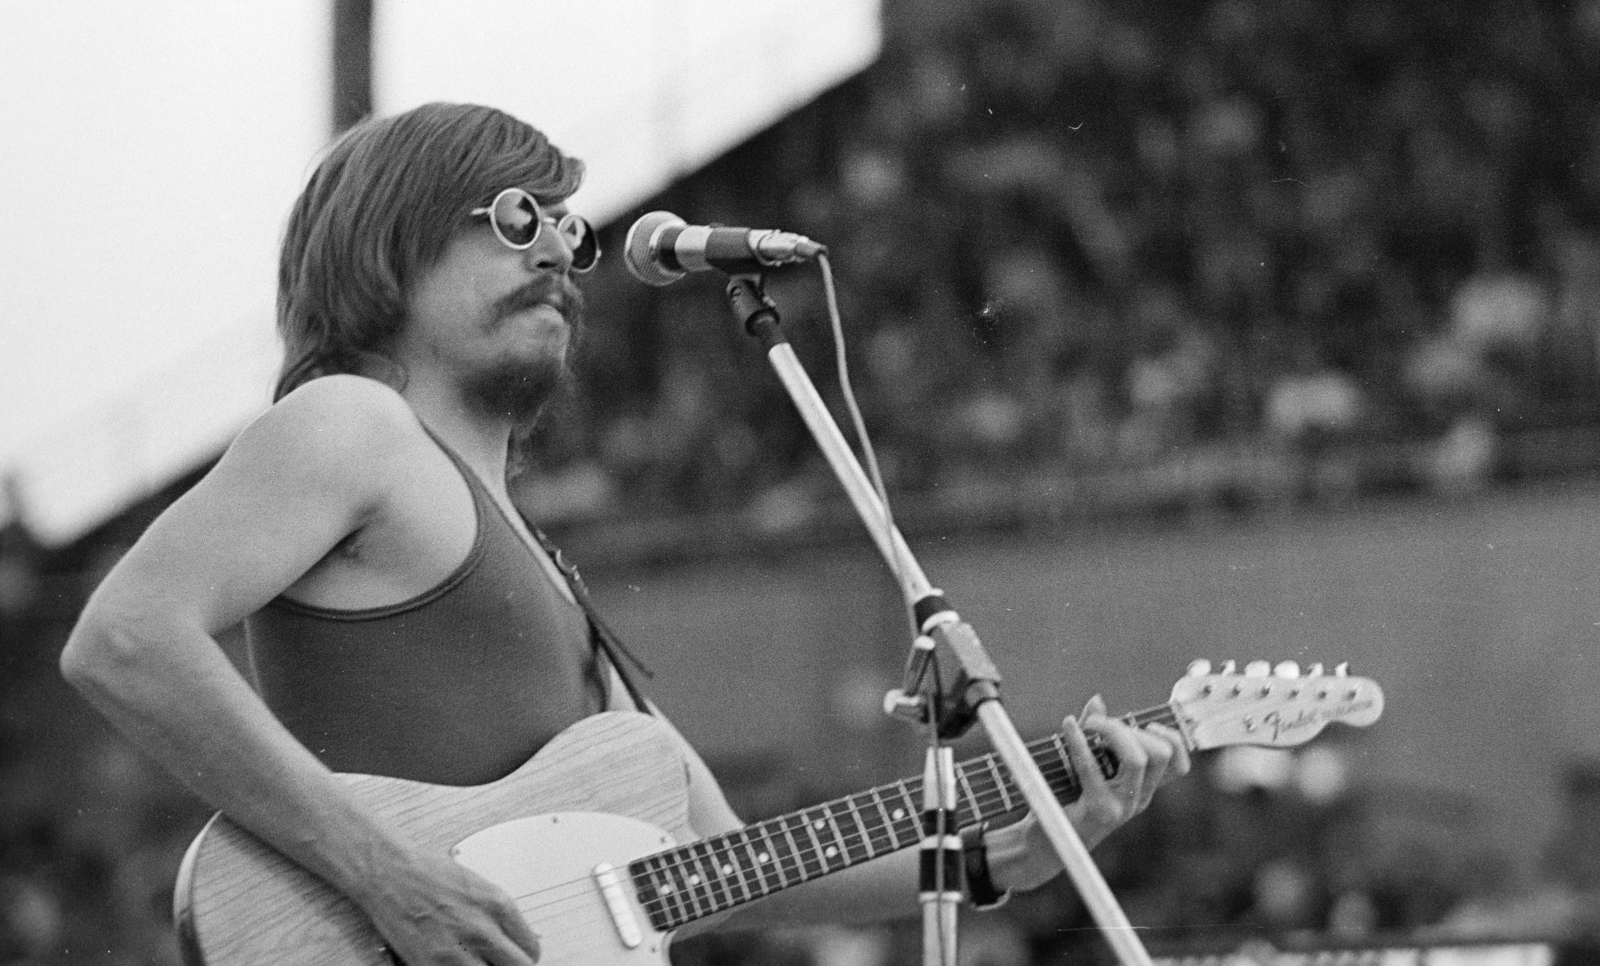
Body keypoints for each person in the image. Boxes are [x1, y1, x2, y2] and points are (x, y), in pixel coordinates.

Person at [59, 102, 1189, 966]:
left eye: (568, 228)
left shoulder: (543, 563)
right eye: (514, 219)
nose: (557, 249)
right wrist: (383, 873)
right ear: (387, 245)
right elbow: (123, 639)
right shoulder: (352, 425)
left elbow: (726, 864)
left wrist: (999, 852)